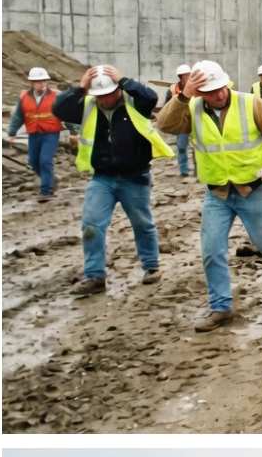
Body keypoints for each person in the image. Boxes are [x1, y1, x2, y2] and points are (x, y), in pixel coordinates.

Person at [155, 59, 262, 333]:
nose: (219, 94)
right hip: (217, 193)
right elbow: (166, 124)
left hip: (253, 189)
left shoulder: (249, 103)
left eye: (221, 87)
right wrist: (183, 97)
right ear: (199, 93)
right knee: (212, 251)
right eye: (210, 91)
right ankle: (221, 307)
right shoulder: (193, 108)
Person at [53, 65, 173, 296]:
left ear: (118, 89)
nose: (105, 100)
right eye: (100, 96)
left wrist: (124, 79)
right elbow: (59, 108)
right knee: (91, 224)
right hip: (103, 178)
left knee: (142, 223)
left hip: (134, 177)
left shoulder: (134, 104)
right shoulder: (89, 106)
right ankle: (94, 276)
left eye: (109, 93)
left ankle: (151, 267)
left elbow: (150, 96)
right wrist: (80, 88)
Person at [6, 66, 64, 198]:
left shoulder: (56, 96)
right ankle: (50, 179)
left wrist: (74, 131)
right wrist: (11, 133)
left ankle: (46, 191)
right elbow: (18, 116)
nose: (41, 84)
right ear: (31, 82)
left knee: (45, 160)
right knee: (33, 162)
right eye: (38, 81)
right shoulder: (25, 97)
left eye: (43, 81)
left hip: (51, 133)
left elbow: (68, 113)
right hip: (34, 133)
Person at [160, 65, 195, 181]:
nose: (188, 77)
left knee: (198, 146)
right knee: (181, 147)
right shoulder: (173, 89)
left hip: (195, 119)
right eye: (185, 75)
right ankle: (184, 170)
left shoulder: (196, 87)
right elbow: (168, 106)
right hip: (182, 122)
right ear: (181, 76)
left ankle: (198, 170)